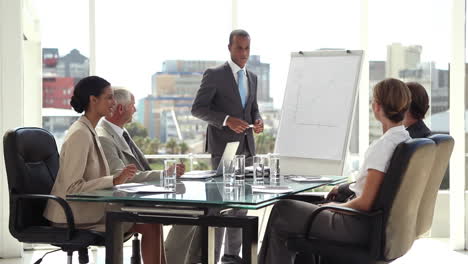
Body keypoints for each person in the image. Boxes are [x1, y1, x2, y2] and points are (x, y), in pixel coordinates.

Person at [258, 78, 412, 264]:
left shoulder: (383, 147)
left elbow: (365, 203)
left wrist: (331, 208)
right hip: (374, 225)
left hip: (357, 225)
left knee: (282, 210)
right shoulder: (404, 139)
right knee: (295, 212)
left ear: (377, 107)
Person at [43, 76, 165, 264]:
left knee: (151, 219)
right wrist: (113, 180)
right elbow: (72, 188)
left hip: (85, 209)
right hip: (71, 215)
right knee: (149, 222)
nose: (113, 102)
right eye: (109, 97)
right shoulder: (80, 134)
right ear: (93, 100)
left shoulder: (89, 130)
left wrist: (117, 180)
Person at [188, 29, 263, 264]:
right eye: (239, 48)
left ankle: (231, 257)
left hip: (247, 149)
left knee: (241, 207)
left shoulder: (252, 77)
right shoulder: (214, 74)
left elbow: (252, 108)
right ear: (229, 47)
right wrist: (226, 119)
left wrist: (258, 120)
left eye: (247, 48)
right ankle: (210, 256)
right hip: (224, 149)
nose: (244, 53)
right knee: (219, 205)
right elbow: (198, 108)